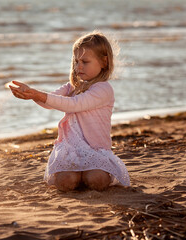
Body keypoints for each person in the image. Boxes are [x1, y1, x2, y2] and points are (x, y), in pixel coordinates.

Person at [9, 31, 130, 192]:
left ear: (104, 62)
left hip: (95, 150)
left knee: (96, 180)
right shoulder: (72, 86)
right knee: (65, 182)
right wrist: (32, 94)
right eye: (76, 61)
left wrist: (38, 95)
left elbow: (73, 105)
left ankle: (88, 175)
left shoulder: (103, 89)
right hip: (71, 150)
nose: (78, 66)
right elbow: (50, 102)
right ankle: (78, 176)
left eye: (85, 62)